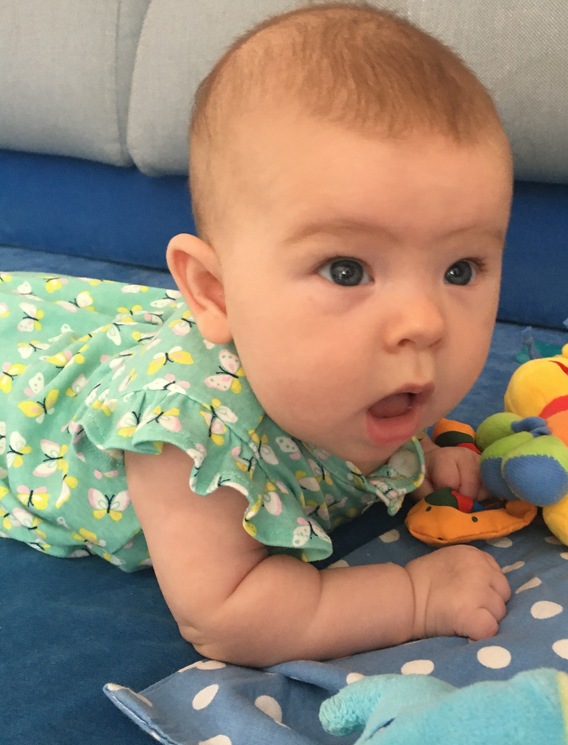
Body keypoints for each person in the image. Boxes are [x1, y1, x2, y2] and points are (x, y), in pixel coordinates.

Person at [0, 2, 514, 667]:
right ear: (216, 294)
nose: (425, 322)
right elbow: (229, 617)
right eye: (347, 270)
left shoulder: (344, 373)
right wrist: (413, 598)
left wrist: (418, 454)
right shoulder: (188, 437)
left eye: (460, 269)